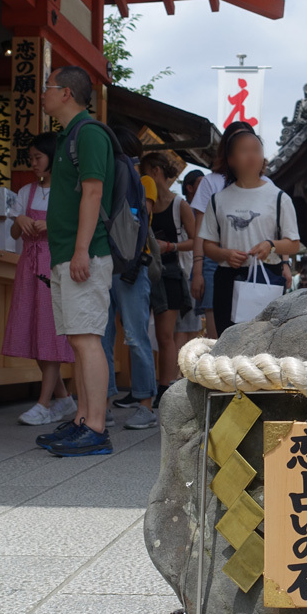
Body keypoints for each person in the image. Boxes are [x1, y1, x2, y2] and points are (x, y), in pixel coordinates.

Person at [36, 65, 114, 457]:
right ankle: (84, 420)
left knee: (86, 339)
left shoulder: (90, 133)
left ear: (66, 93)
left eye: (48, 87)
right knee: (77, 339)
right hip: (68, 254)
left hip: (87, 253)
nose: (43, 93)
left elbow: (94, 192)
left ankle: (96, 426)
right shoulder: (70, 135)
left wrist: (82, 248)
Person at [2, 133, 76, 426]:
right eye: (30, 158)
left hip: (54, 266)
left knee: (49, 331)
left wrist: (52, 224)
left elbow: (73, 231)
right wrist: (18, 222)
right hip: (28, 266)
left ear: (52, 159)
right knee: (33, 329)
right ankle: (64, 399)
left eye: (38, 158)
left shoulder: (67, 191)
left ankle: (43, 403)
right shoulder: (25, 192)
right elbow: (13, 235)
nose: (33, 163)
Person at [190, 122, 289, 338]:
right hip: (217, 261)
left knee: (260, 331)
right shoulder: (211, 183)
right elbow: (200, 231)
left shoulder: (268, 185)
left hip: (260, 265)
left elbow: (278, 230)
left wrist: (285, 263)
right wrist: (197, 271)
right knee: (220, 334)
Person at [101, 128, 158, 430]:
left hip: (131, 266)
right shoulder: (109, 179)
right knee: (102, 337)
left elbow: (138, 222)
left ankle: (146, 405)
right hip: (105, 265)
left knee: (135, 336)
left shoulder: (143, 181)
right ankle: (104, 403)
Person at [140, 151, 195, 409]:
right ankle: (145, 388)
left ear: (156, 171)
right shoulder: (144, 200)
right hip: (145, 271)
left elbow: (196, 241)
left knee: (165, 334)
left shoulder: (179, 204)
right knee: (140, 333)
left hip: (170, 273)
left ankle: (165, 387)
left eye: (145, 170)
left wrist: (171, 246)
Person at [174, 171, 205, 366]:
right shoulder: (185, 209)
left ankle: (187, 369)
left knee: (192, 324)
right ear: (190, 187)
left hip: (195, 270)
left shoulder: (202, 210)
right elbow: (195, 242)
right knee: (184, 325)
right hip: (185, 269)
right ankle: (183, 371)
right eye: (201, 184)